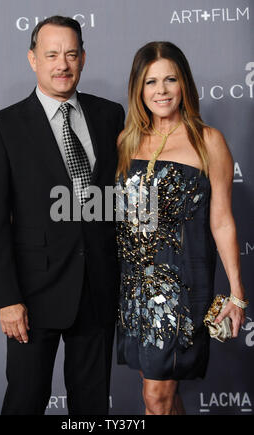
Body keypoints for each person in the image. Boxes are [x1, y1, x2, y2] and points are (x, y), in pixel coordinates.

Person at [0, 16, 124, 415]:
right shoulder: (1, 127)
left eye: (71, 54)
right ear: (32, 59)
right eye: (52, 54)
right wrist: (7, 299)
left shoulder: (110, 116)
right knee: (25, 401)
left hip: (97, 290)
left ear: (84, 58)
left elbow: (120, 202)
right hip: (32, 297)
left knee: (91, 408)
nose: (62, 64)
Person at [115, 41, 247, 415]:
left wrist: (237, 293)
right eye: (151, 82)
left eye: (170, 79)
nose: (161, 91)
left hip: (180, 286)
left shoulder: (208, 141)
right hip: (134, 284)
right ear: (138, 90)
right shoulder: (127, 141)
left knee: (157, 395)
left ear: (184, 84)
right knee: (157, 392)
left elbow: (221, 220)